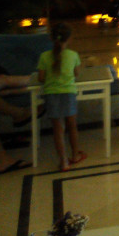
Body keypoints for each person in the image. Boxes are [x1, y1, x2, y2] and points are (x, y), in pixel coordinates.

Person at [38, 22, 87, 172]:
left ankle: (64, 161)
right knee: (72, 126)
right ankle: (75, 155)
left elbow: (41, 78)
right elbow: (76, 74)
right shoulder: (73, 55)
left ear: (51, 38)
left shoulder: (44, 56)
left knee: (58, 130)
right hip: (68, 94)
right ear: (69, 38)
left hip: (51, 95)